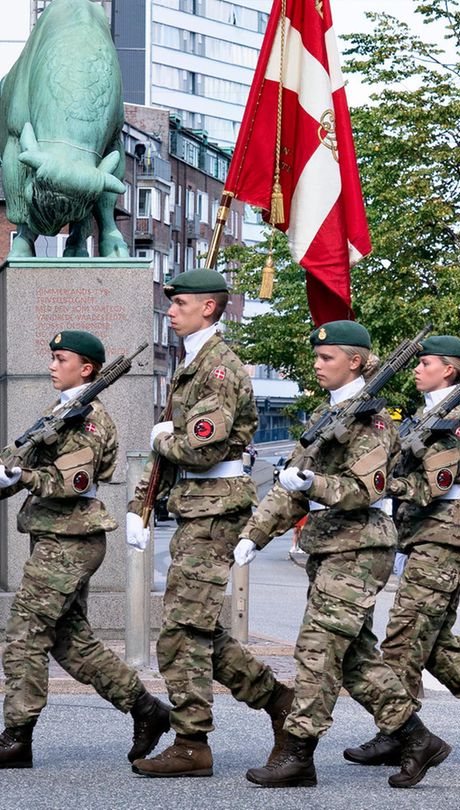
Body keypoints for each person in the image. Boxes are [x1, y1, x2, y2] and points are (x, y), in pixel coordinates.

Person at [0, 330, 172, 769]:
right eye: (51, 357)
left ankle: (17, 737)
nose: (51, 364)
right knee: (71, 644)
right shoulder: (60, 411)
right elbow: (10, 461)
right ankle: (147, 710)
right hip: (56, 537)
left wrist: (23, 480)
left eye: (60, 358)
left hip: (70, 541)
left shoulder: (89, 420)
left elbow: (71, 485)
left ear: (86, 368)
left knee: (24, 634)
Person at [236, 321, 450, 790]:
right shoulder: (324, 415)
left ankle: (298, 753)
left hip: (359, 548)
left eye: (326, 357)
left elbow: (364, 490)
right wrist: (255, 534)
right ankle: (417, 739)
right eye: (316, 357)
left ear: (355, 361)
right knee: (352, 659)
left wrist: (315, 484)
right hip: (330, 547)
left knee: (316, 648)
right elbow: (290, 482)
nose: (316, 364)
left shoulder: (371, 421)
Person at [126, 269, 293, 778]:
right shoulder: (192, 362)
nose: (170, 309)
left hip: (217, 507)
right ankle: (280, 702)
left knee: (180, 630)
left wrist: (162, 438)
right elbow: (171, 457)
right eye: (170, 302)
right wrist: (141, 504)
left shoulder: (218, 368)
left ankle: (192, 742)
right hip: (197, 504)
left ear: (209, 309)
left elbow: (201, 446)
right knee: (197, 629)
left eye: (180, 303)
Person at [342, 335, 460, 768]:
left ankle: (397, 734)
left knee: (405, 635)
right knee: (437, 646)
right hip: (426, 534)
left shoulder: (454, 418)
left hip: (442, 535)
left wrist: (380, 486)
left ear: (448, 369)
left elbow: (436, 484)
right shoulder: (429, 413)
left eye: (424, 362)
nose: (416, 368)